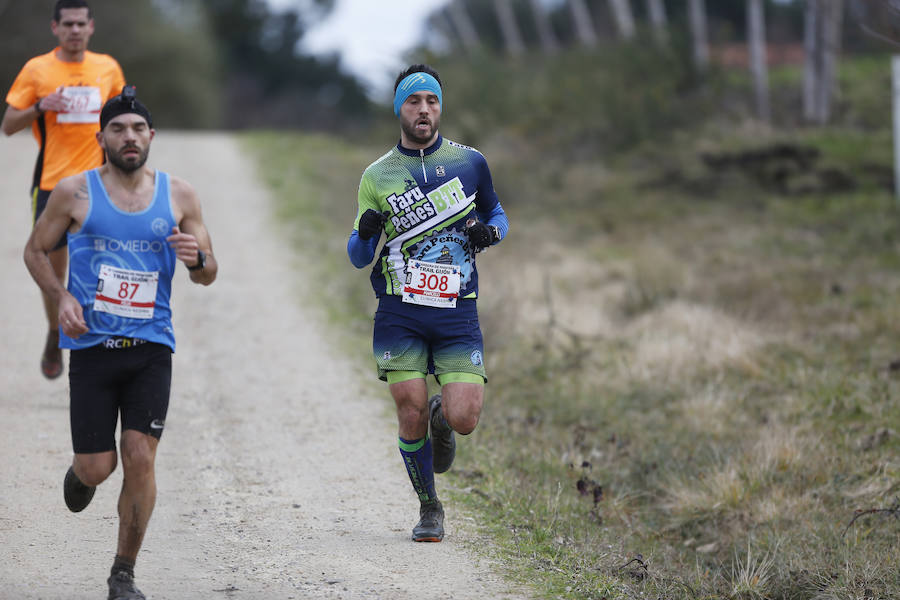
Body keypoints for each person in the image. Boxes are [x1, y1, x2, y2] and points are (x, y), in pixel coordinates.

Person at [23, 86, 217, 600]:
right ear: (100, 137)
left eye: (137, 129)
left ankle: (122, 574)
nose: (128, 137)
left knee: (140, 456)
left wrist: (196, 258)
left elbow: (208, 273)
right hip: (91, 347)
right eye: (117, 129)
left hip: (152, 347)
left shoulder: (180, 195)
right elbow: (36, 250)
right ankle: (82, 475)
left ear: (151, 136)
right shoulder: (73, 192)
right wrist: (61, 296)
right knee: (98, 466)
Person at [347, 64, 509, 542]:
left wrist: (490, 233)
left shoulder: (470, 162)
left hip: (457, 308)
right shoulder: (377, 175)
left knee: (464, 418)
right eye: (414, 101)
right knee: (408, 406)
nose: (424, 109)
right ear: (399, 109)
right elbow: (357, 257)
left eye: (432, 101)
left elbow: (497, 213)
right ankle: (429, 507)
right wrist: (366, 231)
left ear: (440, 108)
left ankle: (444, 416)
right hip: (401, 308)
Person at [3, 0, 125, 380]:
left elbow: (124, 114)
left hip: (100, 183)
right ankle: (56, 330)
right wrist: (41, 105)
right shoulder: (37, 69)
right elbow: (8, 125)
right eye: (67, 24)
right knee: (52, 273)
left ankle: (101, 346)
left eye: (80, 23)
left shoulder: (107, 67)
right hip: (53, 185)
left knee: (107, 268)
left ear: (91, 27)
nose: (74, 30)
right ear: (55, 28)